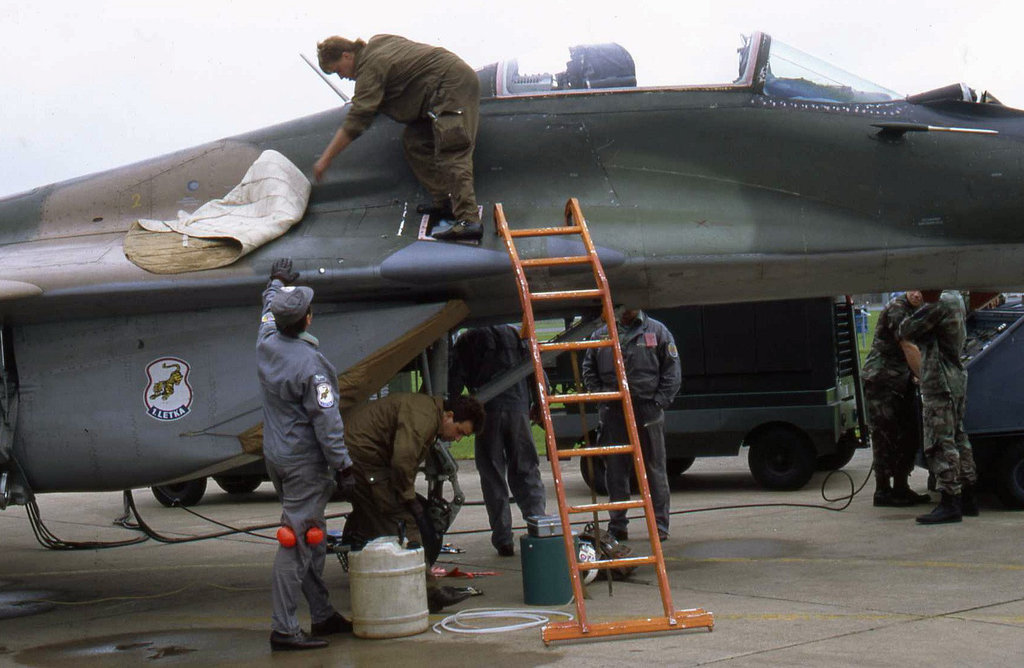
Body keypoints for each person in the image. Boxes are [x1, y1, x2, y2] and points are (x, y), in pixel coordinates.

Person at [257, 258, 354, 652]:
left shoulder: (266, 341)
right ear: (308, 320)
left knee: (311, 536)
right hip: (304, 464)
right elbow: (327, 421)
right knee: (295, 542)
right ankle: (284, 628)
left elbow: (267, 310)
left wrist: (275, 282)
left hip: (276, 456)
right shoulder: (310, 366)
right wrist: (343, 465)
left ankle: (322, 614)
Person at [315, 34, 482, 242]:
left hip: (451, 88)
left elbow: (358, 119)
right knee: (416, 143)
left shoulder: (370, 67)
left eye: (338, 70)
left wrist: (326, 159)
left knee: (452, 150)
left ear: (347, 55)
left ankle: (469, 220)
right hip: (436, 94)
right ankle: (445, 203)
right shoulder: (378, 42)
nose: (342, 77)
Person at [341, 392, 485, 612]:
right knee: (403, 521)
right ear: (448, 415)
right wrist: (410, 500)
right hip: (363, 460)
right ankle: (428, 594)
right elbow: (403, 460)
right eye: (459, 432)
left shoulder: (426, 411)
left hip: (358, 456)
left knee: (379, 518)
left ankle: (383, 581)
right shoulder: (424, 417)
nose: (457, 439)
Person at [582, 309, 681, 541]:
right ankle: (617, 524)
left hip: (647, 408)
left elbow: (672, 370)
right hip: (613, 410)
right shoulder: (600, 334)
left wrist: (659, 401)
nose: (627, 309)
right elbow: (589, 369)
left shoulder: (657, 331)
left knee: (654, 468)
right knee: (615, 469)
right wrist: (602, 396)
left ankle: (659, 526)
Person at [449, 325, 546, 557]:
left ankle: (503, 538)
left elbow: (454, 380)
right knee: (527, 471)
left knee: (492, 475)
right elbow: (535, 368)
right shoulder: (515, 333)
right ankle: (539, 527)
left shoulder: (468, 338)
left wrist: (447, 410)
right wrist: (541, 402)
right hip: (518, 410)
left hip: (485, 413)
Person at [899, 290, 978, 524]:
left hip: (940, 381)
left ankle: (950, 501)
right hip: (954, 377)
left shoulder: (939, 303)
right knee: (958, 437)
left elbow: (906, 330)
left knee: (940, 441)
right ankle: (968, 496)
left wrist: (921, 306)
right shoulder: (956, 298)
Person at [861, 291, 931, 507]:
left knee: (908, 435)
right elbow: (908, 345)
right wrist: (926, 377)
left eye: (922, 291)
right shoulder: (897, 309)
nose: (917, 294)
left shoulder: (921, 309)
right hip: (881, 381)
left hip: (902, 380)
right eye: (914, 290)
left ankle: (901, 487)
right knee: (884, 436)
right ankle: (882, 491)